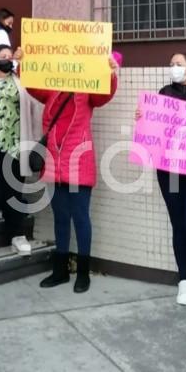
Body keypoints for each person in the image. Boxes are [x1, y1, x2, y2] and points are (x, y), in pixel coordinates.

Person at [31, 53, 121, 294]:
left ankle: (82, 272)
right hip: (53, 161)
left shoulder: (88, 89)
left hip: (78, 161)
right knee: (60, 216)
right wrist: (23, 63)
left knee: (81, 217)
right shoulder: (52, 89)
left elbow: (104, 95)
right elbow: (32, 85)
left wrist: (111, 73)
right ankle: (60, 270)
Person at [135, 53, 186, 305]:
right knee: (179, 223)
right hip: (169, 170)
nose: (174, 68)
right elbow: (154, 126)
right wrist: (142, 118)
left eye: (179, 64)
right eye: (171, 64)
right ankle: (184, 279)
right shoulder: (164, 92)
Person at [0, 45, 43, 257]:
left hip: (16, 146)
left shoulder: (20, 82)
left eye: (9, 57)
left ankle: (17, 234)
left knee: (15, 192)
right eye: (2, 56)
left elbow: (34, 107)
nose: (6, 59)